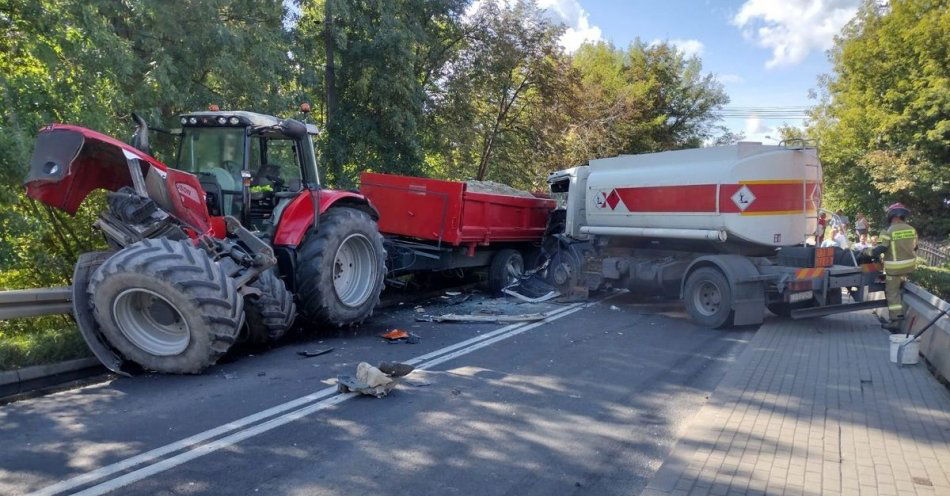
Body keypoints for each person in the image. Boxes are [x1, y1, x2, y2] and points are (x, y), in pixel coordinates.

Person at [863, 203, 917, 331]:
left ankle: (895, 321)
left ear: (892, 216)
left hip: (894, 269)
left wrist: (867, 252)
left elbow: (881, 249)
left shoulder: (889, 231)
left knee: (892, 293)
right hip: (909, 267)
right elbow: (915, 247)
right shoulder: (912, 230)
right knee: (900, 291)